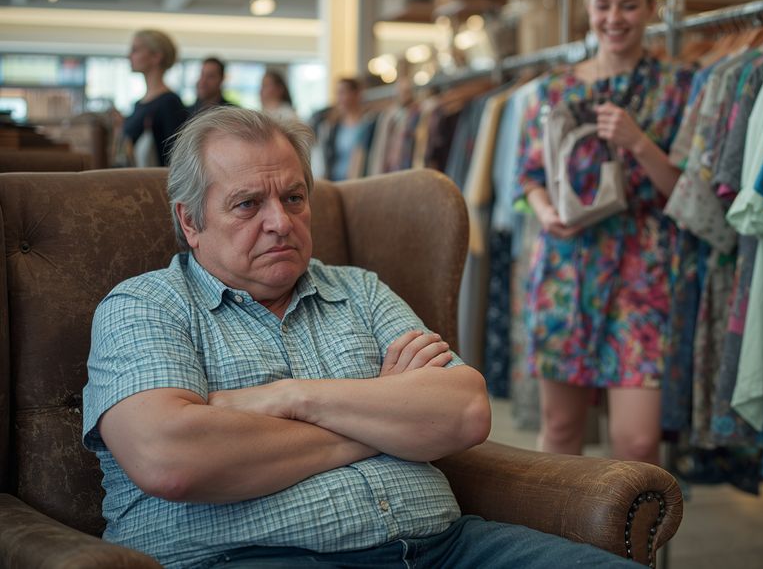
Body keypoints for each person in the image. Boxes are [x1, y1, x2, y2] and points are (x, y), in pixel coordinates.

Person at [82, 106, 638, 569]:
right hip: (252, 556)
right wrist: (386, 418)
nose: (280, 221)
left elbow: (465, 410)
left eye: (294, 198)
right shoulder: (145, 306)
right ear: (191, 222)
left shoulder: (359, 290)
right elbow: (171, 459)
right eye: (248, 204)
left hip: (448, 548)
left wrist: (292, 397)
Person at [515, 0, 693, 465]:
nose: (615, 18)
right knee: (562, 426)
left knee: (637, 443)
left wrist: (639, 142)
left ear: (651, 8)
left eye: (629, 5)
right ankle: (556, 547)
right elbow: (527, 175)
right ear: (588, 11)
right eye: (603, 6)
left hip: (643, 271)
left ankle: (629, 548)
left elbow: (685, 192)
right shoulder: (555, 89)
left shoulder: (678, 86)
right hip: (567, 265)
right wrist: (546, 212)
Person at [119, 29, 189, 166]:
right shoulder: (139, 103)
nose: (129, 56)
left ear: (156, 56)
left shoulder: (169, 103)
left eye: (135, 50)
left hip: (156, 184)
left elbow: (176, 157)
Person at [313, 77, 369, 180]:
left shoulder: (367, 123)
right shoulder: (333, 126)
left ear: (356, 94)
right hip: (335, 179)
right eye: (337, 93)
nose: (339, 98)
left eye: (343, 92)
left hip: (359, 179)